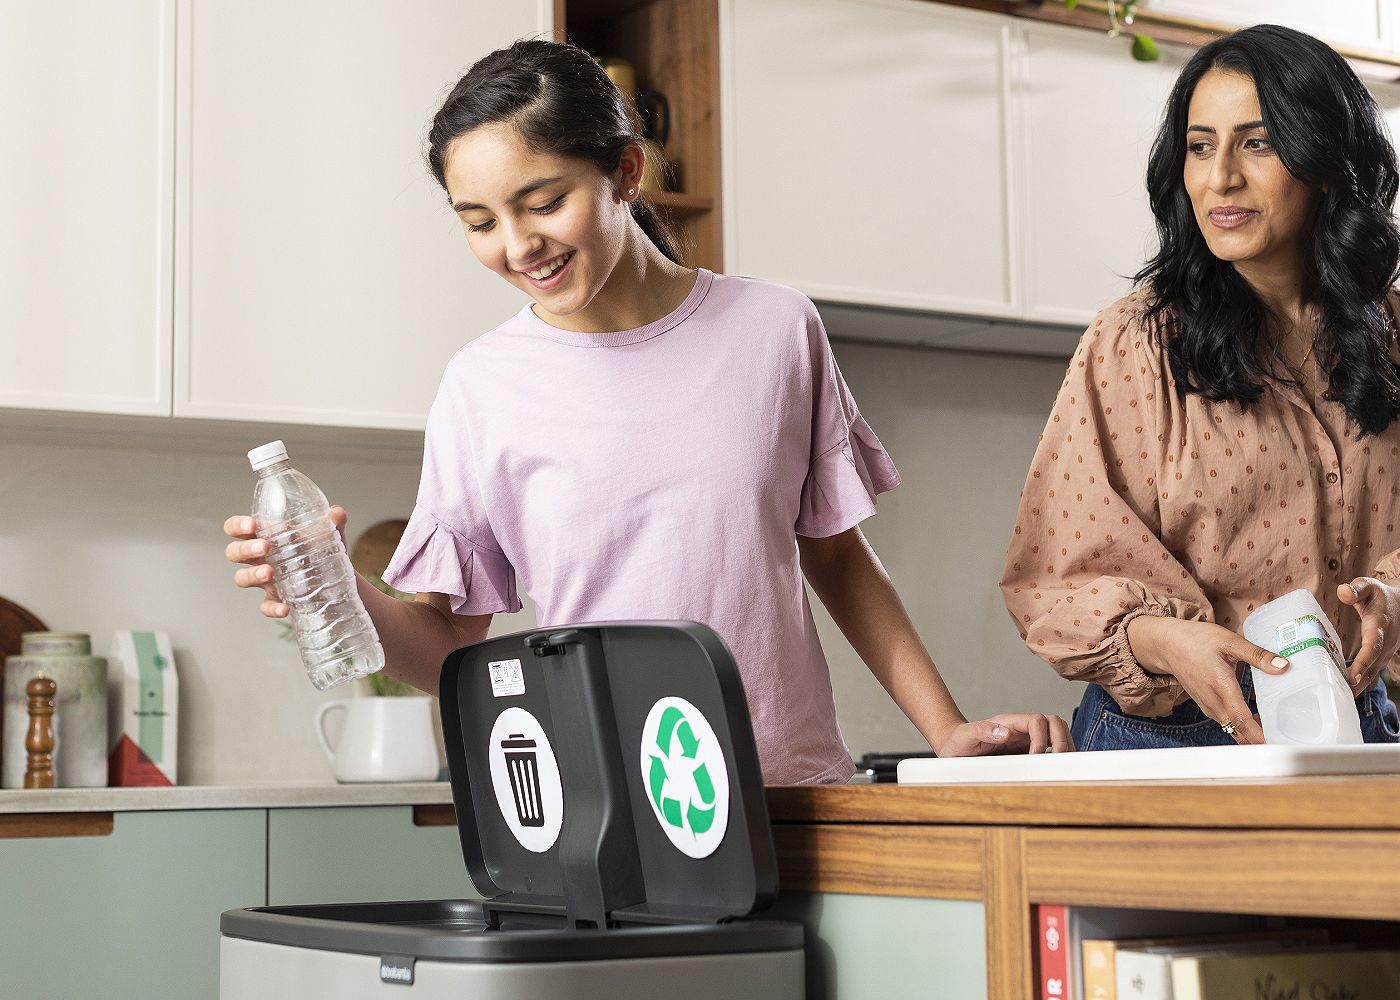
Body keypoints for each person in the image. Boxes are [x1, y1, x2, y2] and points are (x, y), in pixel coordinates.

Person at [226, 39, 1071, 784]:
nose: (517, 246)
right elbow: (448, 643)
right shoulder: (481, 387)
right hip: (606, 811)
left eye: (542, 203)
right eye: (479, 222)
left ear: (626, 172)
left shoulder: (775, 328)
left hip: (788, 794)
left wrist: (946, 729)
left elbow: (836, 556)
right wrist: (334, 587)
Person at [1001, 24, 1400, 751]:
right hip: (1167, 733)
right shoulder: (1134, 343)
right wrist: (1165, 640)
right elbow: (1053, 577)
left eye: (1258, 143)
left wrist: (1395, 601)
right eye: (1200, 146)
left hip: (1354, 721)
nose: (1221, 178)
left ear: (1325, 161)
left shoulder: (1394, 332)